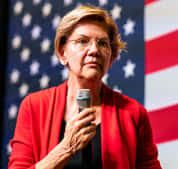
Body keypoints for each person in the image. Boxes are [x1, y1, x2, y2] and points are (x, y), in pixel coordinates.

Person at [8, 6, 162, 169]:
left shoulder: (133, 113)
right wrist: (66, 148)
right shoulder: (34, 107)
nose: (94, 50)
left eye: (103, 43)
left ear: (111, 57)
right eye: (82, 41)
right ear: (62, 53)